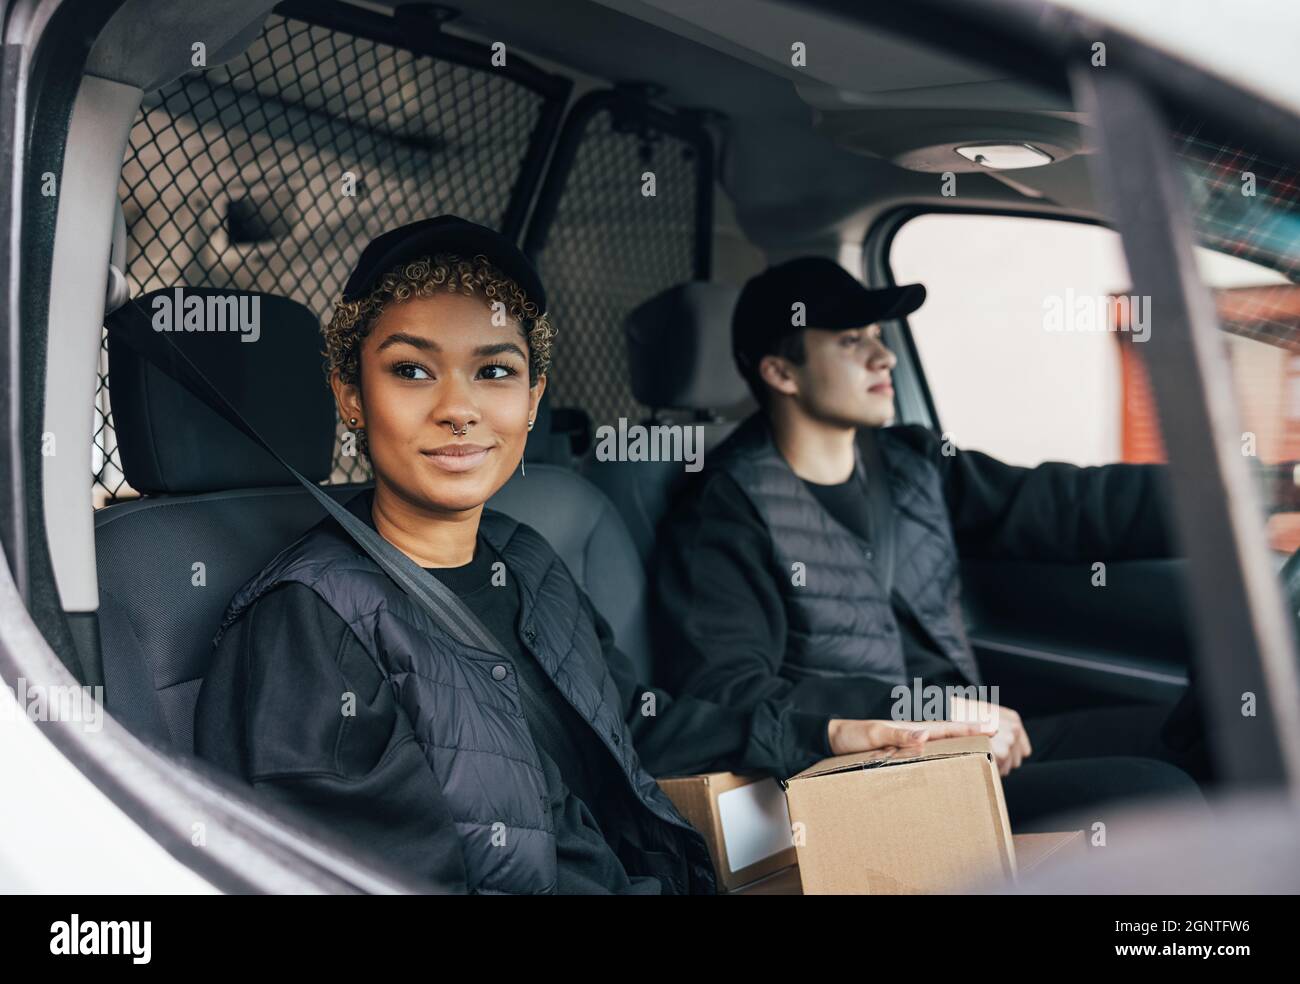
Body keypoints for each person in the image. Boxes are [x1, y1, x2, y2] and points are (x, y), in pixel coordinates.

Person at [193, 217, 988, 895]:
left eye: (495, 371)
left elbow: (631, 728)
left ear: (532, 400)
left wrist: (828, 732)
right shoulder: (308, 621)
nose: (460, 408)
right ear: (350, 396)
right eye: (411, 370)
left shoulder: (525, 560)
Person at [652, 256, 1212, 821]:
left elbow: (1062, 505)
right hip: (878, 784)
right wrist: (928, 711)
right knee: (1158, 796)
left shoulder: (910, 462)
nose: (884, 355)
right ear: (781, 374)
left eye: (878, 335)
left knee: (1209, 738)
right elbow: (725, 692)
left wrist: (1228, 496)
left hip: (970, 743)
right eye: (851, 341)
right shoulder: (724, 511)